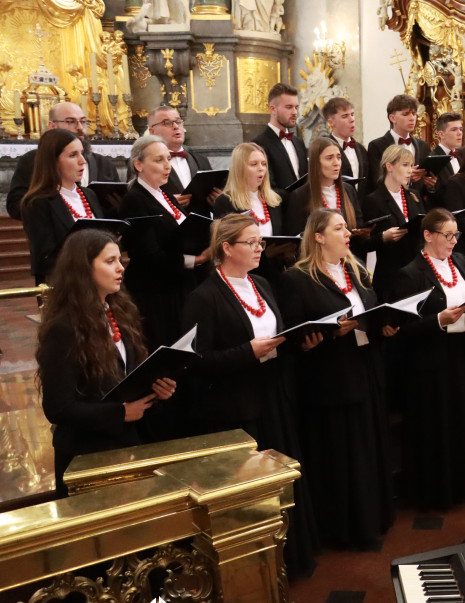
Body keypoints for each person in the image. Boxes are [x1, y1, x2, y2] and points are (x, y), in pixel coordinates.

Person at [181, 213, 319, 577]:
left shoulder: (261, 284)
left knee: (282, 483)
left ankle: (290, 559)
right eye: (251, 242)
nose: (260, 248)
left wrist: (302, 343)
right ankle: (256, 569)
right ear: (226, 248)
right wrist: (247, 353)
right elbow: (195, 361)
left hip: (274, 398)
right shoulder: (204, 296)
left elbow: (275, 337)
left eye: (261, 242)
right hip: (237, 409)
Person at [276, 208, 396, 548]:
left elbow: (370, 309)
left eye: (347, 229)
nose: (347, 234)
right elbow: (294, 333)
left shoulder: (354, 270)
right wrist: (326, 335)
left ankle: (375, 518)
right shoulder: (297, 278)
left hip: (366, 367)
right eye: (340, 228)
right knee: (345, 455)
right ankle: (347, 529)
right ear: (318, 236)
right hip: (331, 378)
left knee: (370, 446)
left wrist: (384, 324)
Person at [36, 228, 176, 497]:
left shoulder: (118, 311)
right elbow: (57, 407)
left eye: (120, 260)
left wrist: (156, 390)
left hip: (126, 443)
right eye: (110, 261)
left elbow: (126, 378)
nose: (120, 268)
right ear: (83, 268)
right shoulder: (63, 328)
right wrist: (120, 413)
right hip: (86, 455)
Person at [391, 208, 465, 509]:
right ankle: (437, 494)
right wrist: (438, 319)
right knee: (438, 427)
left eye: (456, 235)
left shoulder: (460, 261)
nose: (453, 241)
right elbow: (403, 328)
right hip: (431, 364)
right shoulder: (410, 273)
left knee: (464, 423)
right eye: (447, 235)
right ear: (427, 235)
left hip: (462, 355)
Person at [120, 134, 210, 346]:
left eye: (168, 159)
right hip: (155, 292)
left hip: (179, 284)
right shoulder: (134, 199)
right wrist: (196, 260)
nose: (167, 165)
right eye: (159, 160)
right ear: (138, 164)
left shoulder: (166, 195)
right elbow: (148, 254)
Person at [7, 102, 120, 220]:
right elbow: (15, 206)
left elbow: (114, 207)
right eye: (70, 121)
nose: (80, 127)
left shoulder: (104, 163)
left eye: (83, 121)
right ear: (52, 126)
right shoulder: (33, 160)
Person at [19, 129, 104, 284]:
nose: (82, 161)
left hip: (98, 281)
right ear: (53, 161)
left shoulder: (89, 194)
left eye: (82, 153)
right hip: (64, 285)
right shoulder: (38, 202)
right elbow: (45, 257)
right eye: (73, 155)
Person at [213, 142, 291, 284]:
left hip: (275, 275)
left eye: (264, 164)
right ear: (240, 168)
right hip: (244, 277)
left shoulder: (274, 200)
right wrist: (265, 253)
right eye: (254, 164)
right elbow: (224, 248)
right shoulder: (226, 202)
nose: (261, 169)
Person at [360, 145, 425, 301]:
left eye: (411, 165)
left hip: (416, 271)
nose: (410, 170)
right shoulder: (373, 200)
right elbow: (364, 242)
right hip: (390, 275)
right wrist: (383, 237)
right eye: (405, 165)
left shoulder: (413, 195)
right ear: (389, 166)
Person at [143, 106, 218, 214]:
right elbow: (139, 202)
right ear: (152, 131)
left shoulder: (201, 161)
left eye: (178, 121)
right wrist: (166, 202)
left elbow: (210, 202)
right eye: (167, 123)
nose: (175, 126)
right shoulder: (145, 164)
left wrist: (216, 200)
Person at [285, 137, 362, 240]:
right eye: (329, 158)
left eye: (339, 157)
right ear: (316, 162)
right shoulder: (300, 196)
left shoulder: (349, 190)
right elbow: (296, 239)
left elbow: (359, 227)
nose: (336, 163)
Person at [366, 94, 435, 196]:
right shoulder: (377, 146)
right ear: (392, 118)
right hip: (390, 203)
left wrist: (429, 184)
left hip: (417, 203)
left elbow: (424, 186)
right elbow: (377, 180)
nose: (412, 118)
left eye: (414, 114)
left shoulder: (422, 146)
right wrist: (405, 176)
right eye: (406, 114)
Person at [250, 83, 308, 193]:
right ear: (273, 109)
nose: (295, 112)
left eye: (296, 107)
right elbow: (267, 187)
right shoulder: (259, 144)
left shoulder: (298, 142)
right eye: (289, 107)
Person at [323, 96, 370, 200]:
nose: (352, 119)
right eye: (345, 116)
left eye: (352, 115)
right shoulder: (325, 149)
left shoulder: (361, 149)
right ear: (331, 122)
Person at [429, 111, 463, 190]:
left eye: (461, 129)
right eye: (454, 130)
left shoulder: (462, 155)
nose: (459, 133)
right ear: (441, 134)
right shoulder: (433, 159)